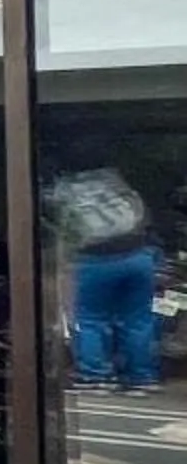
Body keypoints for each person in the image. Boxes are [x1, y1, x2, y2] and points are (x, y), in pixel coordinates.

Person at [54, 168, 160, 392]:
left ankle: (94, 375)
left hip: (96, 261)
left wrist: (64, 262)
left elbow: (64, 235)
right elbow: (145, 219)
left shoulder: (66, 192)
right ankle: (142, 376)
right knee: (138, 320)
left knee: (90, 318)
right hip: (138, 257)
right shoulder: (115, 186)